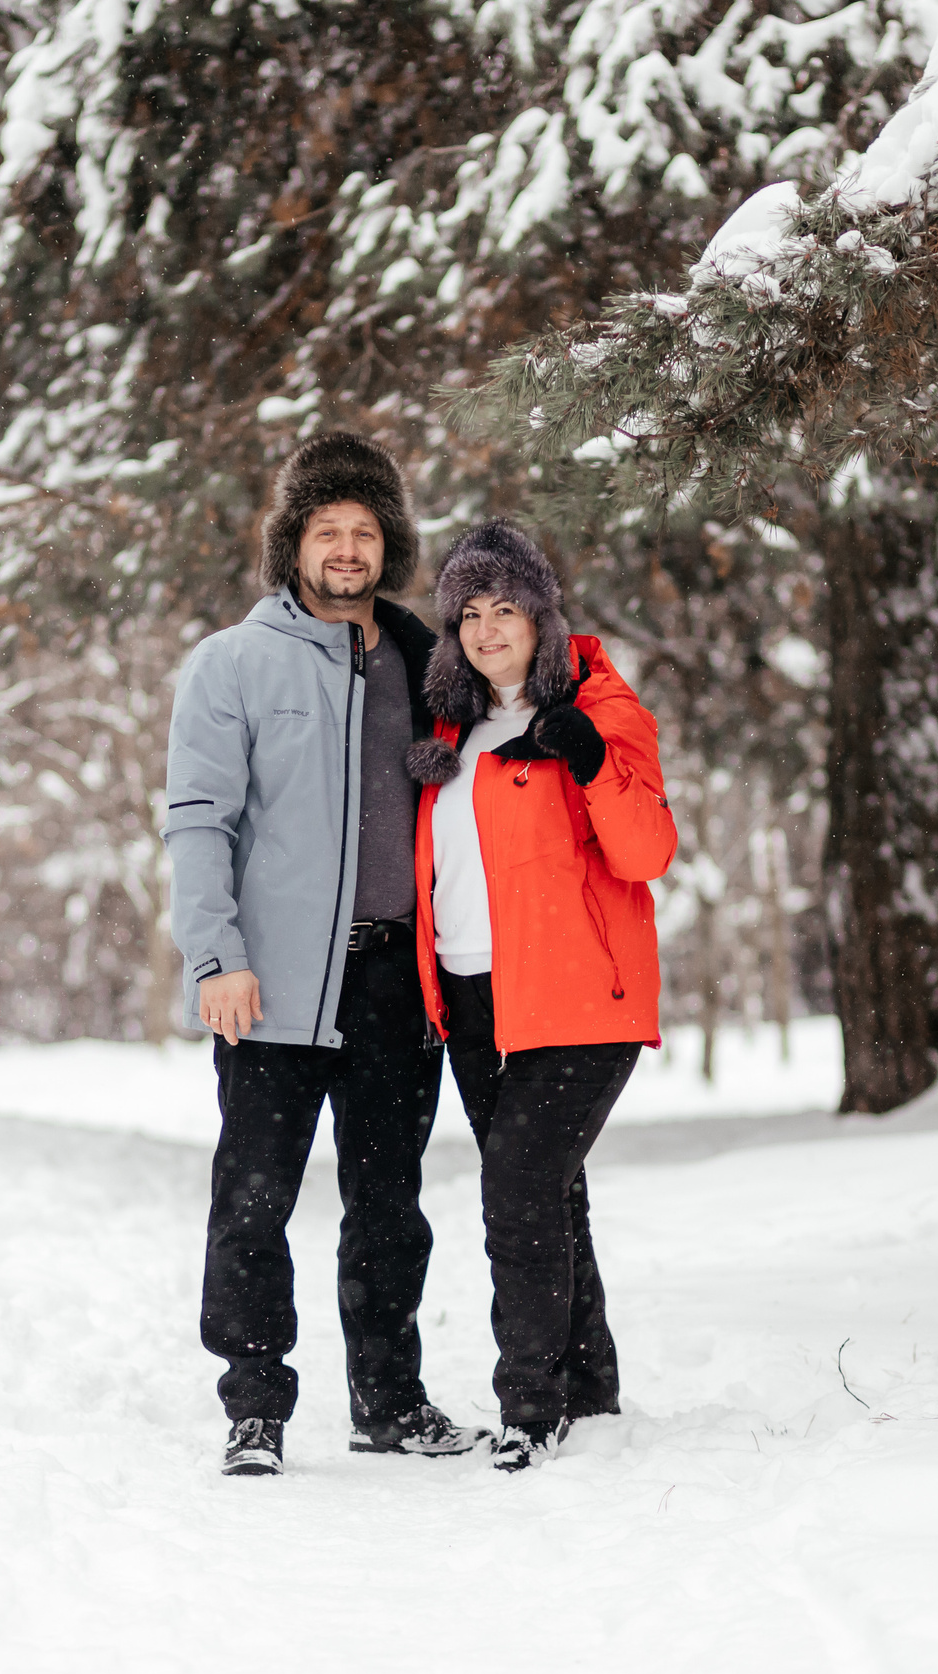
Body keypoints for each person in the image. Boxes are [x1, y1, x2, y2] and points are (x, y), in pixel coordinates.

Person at [165, 432, 488, 1477]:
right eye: (325, 530)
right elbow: (198, 823)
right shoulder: (232, 664)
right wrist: (215, 958)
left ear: (386, 541)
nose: (346, 549)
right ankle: (253, 1403)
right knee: (252, 1196)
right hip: (274, 981)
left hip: (399, 977)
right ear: (292, 544)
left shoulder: (429, 663)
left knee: (390, 1202)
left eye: (363, 530)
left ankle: (389, 1402)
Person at [404, 520, 677, 1473]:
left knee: (515, 1191)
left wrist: (594, 764)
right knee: (554, 1198)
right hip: (476, 999)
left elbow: (648, 854)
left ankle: (530, 1405)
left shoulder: (601, 706)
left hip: (579, 998)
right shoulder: (453, 726)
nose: (486, 629)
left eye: (504, 608)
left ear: (540, 614)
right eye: (468, 613)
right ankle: (588, 1385)